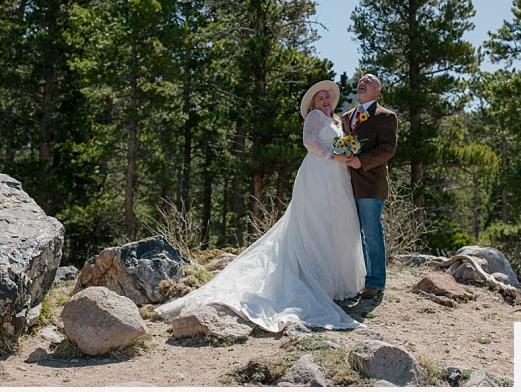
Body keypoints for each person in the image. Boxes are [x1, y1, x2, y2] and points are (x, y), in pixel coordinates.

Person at [154, 80, 366, 332]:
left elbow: (339, 143)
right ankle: (315, 278)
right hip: (318, 173)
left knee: (335, 223)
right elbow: (309, 141)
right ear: (313, 104)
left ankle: (335, 281)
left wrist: (346, 153)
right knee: (316, 222)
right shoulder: (315, 117)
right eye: (320, 98)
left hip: (337, 176)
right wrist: (332, 155)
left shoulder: (336, 121)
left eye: (327, 97)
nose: (325, 101)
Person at [341, 74, 398, 299]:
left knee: (372, 233)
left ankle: (375, 282)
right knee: (353, 234)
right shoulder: (346, 117)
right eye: (361, 80)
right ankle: (359, 278)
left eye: (368, 80)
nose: (362, 82)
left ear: (378, 90)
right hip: (346, 185)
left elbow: (388, 149)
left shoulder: (386, 116)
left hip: (371, 185)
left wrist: (361, 161)